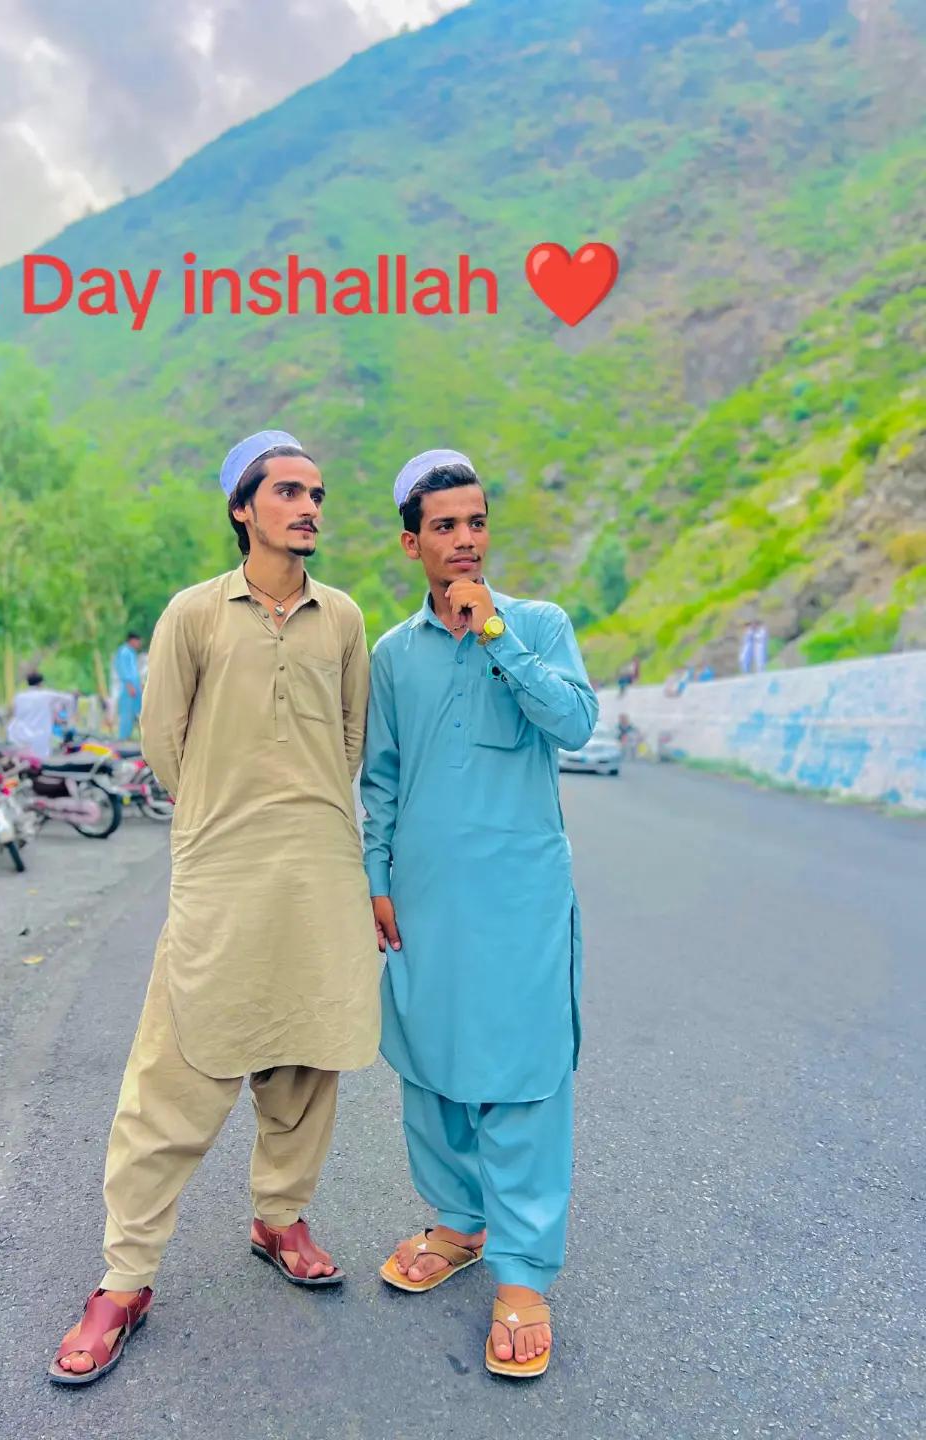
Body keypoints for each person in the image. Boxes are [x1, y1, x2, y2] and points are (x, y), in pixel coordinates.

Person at [48, 429, 381, 1386]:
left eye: (317, 493)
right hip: (222, 871)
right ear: (243, 508)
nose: (308, 507)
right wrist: (225, 819)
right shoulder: (194, 614)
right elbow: (166, 743)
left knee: (307, 1057)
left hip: (318, 870)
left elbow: (349, 738)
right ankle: (125, 1277)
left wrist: (304, 817)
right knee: (177, 1070)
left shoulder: (343, 618)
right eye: (288, 491)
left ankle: (280, 1218)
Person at [361, 450, 598, 1380]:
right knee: (430, 1062)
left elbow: (574, 722)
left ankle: (524, 1271)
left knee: (525, 1073)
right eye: (445, 526)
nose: (465, 540)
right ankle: (461, 1224)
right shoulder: (393, 654)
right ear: (411, 543)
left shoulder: (538, 625)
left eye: (477, 522)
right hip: (425, 896)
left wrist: (496, 632)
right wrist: (376, 873)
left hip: (520, 897)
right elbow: (382, 777)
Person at [6, 673, 77, 760]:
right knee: (40, 761)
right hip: (40, 735)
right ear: (41, 683)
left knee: (24, 760)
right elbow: (69, 698)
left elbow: (13, 713)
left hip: (21, 735)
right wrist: (68, 717)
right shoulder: (46, 695)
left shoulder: (19, 697)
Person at [114, 631, 144, 740]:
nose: (139, 644)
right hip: (128, 687)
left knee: (137, 712)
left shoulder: (132, 653)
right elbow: (123, 670)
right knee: (127, 713)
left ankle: (131, 736)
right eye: (138, 641)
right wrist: (129, 684)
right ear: (132, 640)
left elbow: (134, 672)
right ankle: (123, 737)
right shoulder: (124, 652)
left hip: (135, 686)